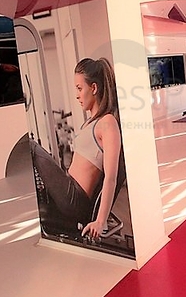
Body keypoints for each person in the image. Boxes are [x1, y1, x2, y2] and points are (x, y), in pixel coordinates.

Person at [34, 57, 123, 241]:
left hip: (75, 199)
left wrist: (100, 221)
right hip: (70, 190)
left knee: (32, 147)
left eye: (79, 88)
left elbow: (111, 177)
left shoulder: (108, 123)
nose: (76, 95)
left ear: (94, 88)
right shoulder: (90, 122)